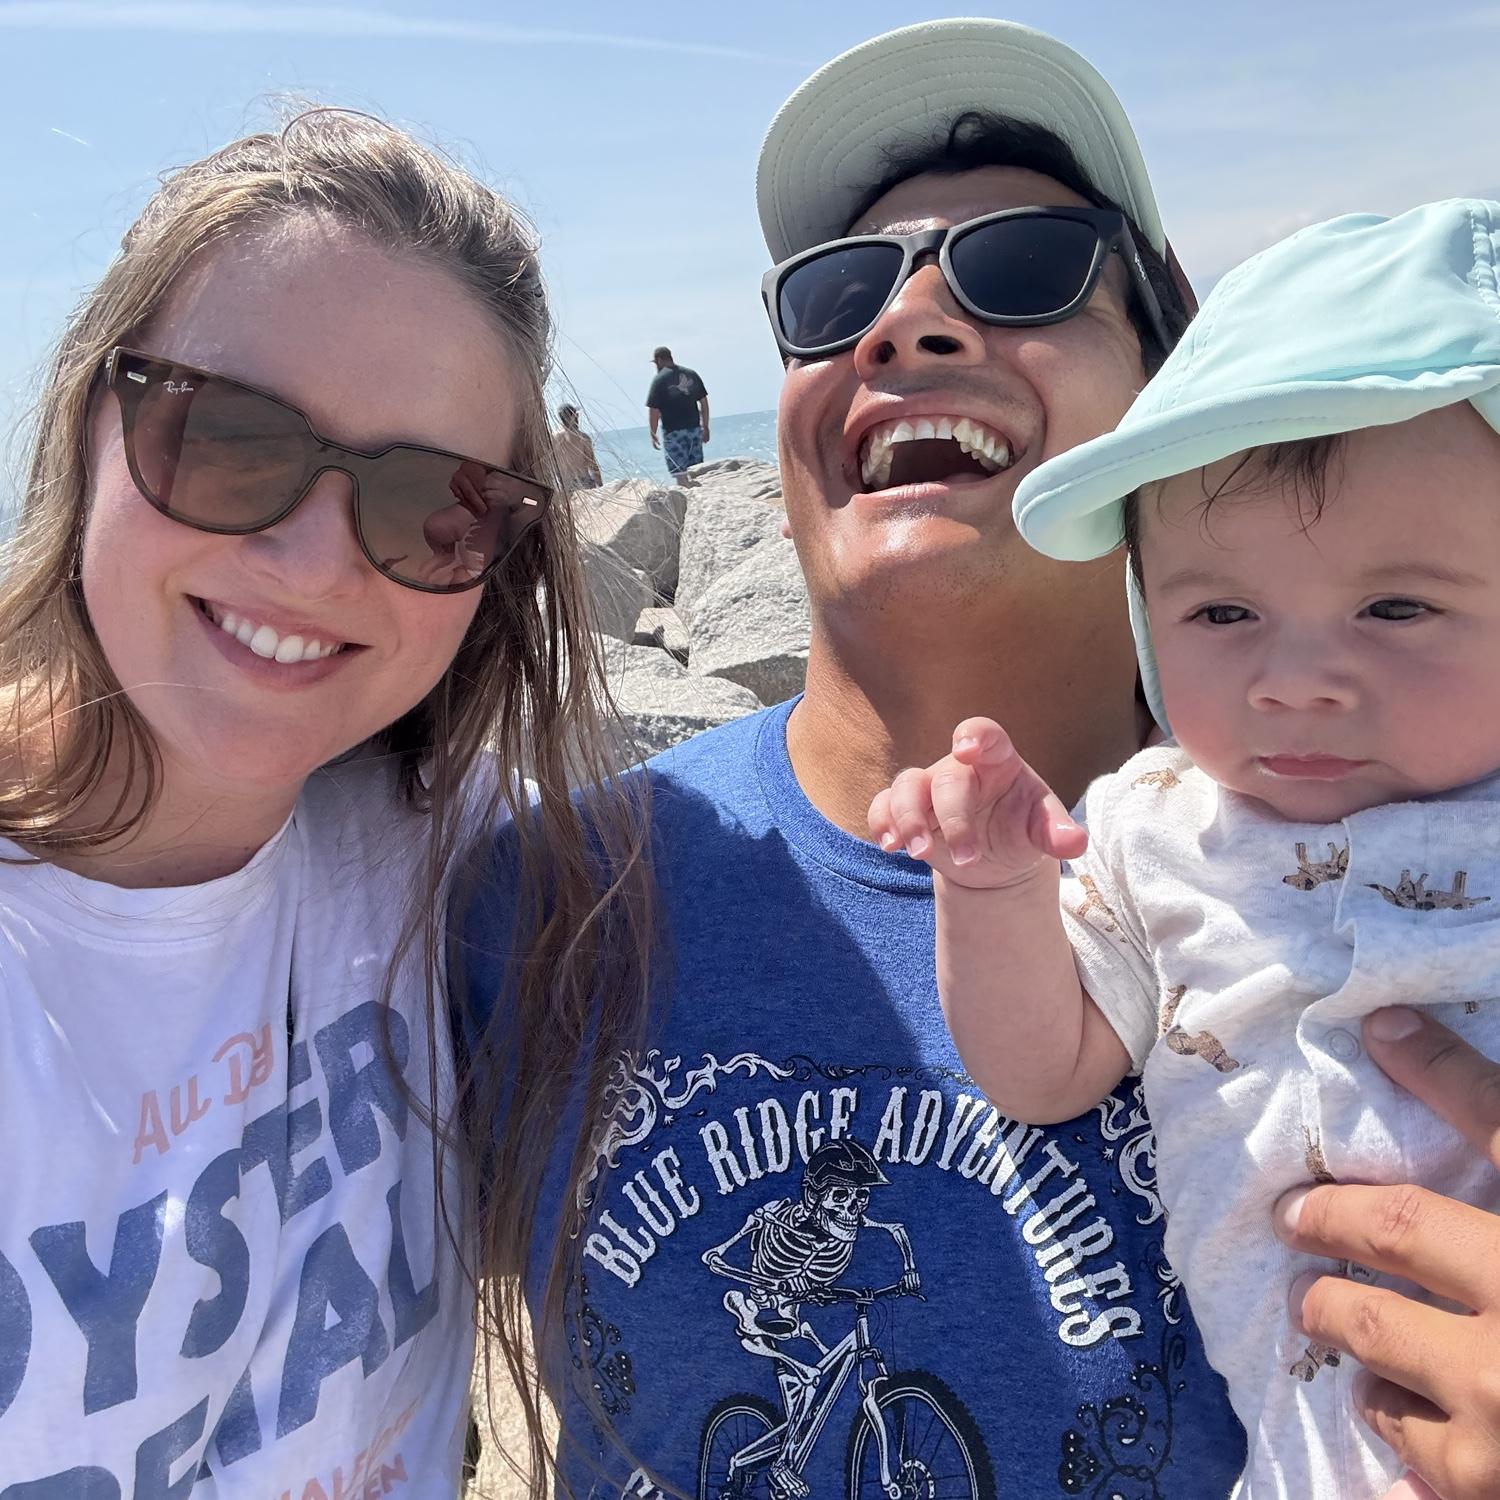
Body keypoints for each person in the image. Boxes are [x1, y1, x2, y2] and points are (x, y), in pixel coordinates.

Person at [460, 21, 1500, 1500]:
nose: (905, 324)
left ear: (1174, 393)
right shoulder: (535, 899)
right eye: (835, 296)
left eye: (1025, 267)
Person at [0, 107, 644, 1495]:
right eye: (228, 441)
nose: (309, 561)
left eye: (433, 507)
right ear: (91, 419)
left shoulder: (445, 847)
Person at [870, 198, 1500, 1497]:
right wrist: (995, 886)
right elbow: (1044, 1069)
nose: (1294, 680)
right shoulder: (1156, 826)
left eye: (1396, 606)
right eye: (1222, 613)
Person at [645, 345, 709, 481]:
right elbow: (703, 402)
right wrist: (705, 426)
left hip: (673, 433)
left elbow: (654, 410)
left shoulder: (659, 380)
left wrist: (653, 433)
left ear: (659, 360)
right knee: (697, 471)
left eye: (656, 363)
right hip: (694, 430)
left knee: (680, 474)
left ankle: (686, 493)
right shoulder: (691, 374)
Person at [554, 402, 602, 489]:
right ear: (572, 417)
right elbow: (592, 465)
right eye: (576, 415)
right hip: (584, 484)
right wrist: (601, 486)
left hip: (565, 486)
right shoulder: (583, 438)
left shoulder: (553, 438)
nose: (577, 418)